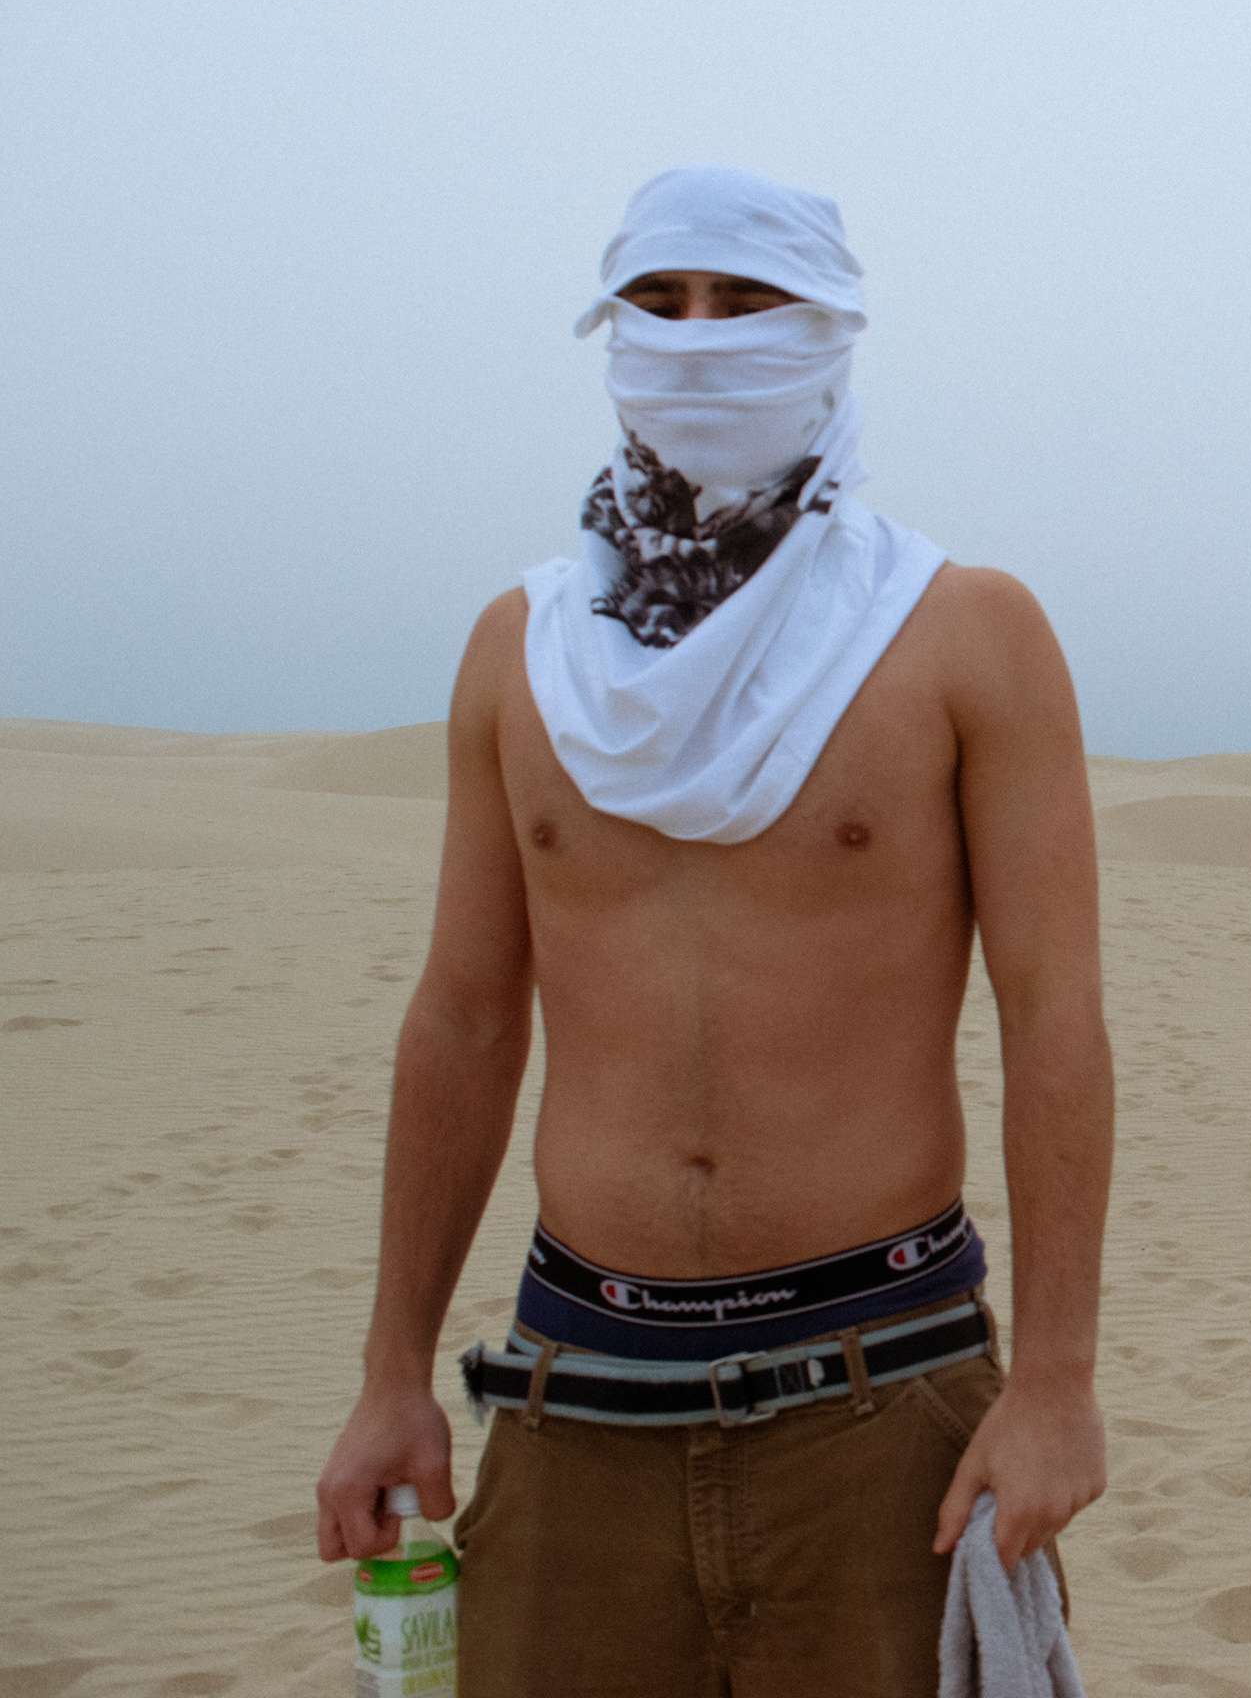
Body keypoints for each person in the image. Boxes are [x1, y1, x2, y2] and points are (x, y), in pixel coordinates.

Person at [311, 166, 1115, 1692]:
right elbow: (467, 1019)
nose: (697, 341)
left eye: (745, 303)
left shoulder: (963, 636)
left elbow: (1055, 1015)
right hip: (574, 1395)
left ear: (828, 332)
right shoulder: (524, 650)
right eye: (660, 303)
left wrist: (1060, 1383)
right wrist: (387, 1375)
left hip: (884, 1397)